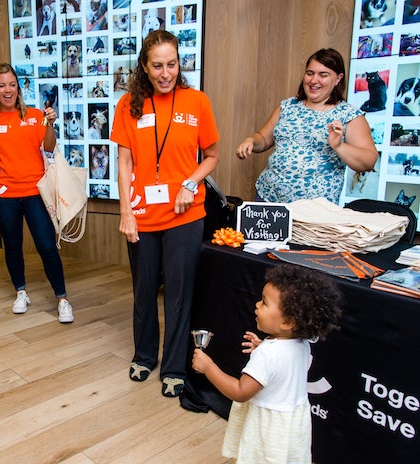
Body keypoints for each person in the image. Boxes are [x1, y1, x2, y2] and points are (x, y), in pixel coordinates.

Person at [110, 30, 220, 397]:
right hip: (141, 213)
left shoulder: (197, 102)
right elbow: (124, 163)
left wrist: (190, 184)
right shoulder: (128, 104)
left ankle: (174, 366)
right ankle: (144, 355)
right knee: (143, 290)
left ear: (179, 63)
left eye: (171, 64)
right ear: (144, 66)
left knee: (178, 293)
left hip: (185, 215)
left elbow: (212, 156)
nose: (165, 73)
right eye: (157, 65)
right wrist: (125, 211)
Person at [192, 264, 343, 463]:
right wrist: (263, 345)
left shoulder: (268, 355)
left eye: (264, 303)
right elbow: (284, 365)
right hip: (292, 426)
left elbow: (240, 391)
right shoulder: (302, 345)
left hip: (268, 429)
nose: (256, 304)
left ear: (287, 322)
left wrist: (208, 366)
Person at [0, 63, 75, 324]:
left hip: (35, 193)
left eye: (12, 84)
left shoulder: (35, 115)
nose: (8, 90)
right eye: (2, 85)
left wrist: (49, 124)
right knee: (13, 246)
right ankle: (21, 292)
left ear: (18, 86)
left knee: (47, 246)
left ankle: (62, 298)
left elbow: (49, 148)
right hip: (3, 195)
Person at [236, 48, 378, 204]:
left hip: (314, 209)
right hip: (269, 198)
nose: (313, 80)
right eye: (310, 73)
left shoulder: (348, 115)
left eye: (323, 75)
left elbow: (368, 161)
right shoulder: (288, 106)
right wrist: (250, 141)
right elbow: (263, 138)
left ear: (338, 78)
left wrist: (339, 146)